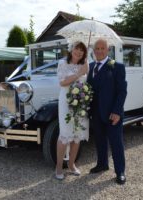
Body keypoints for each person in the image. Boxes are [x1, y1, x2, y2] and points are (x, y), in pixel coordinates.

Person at [87, 38, 127, 185]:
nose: (99, 51)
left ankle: (120, 171)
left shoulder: (117, 67)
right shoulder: (90, 67)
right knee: (99, 140)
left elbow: (122, 91)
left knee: (116, 142)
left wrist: (117, 111)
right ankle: (102, 164)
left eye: (102, 48)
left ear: (108, 49)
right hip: (96, 112)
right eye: (96, 48)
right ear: (93, 50)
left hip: (112, 113)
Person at [55, 41, 89, 180]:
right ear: (71, 49)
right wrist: (79, 73)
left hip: (80, 101)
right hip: (65, 101)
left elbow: (87, 83)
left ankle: (71, 164)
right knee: (65, 133)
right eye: (77, 48)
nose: (79, 52)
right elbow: (62, 82)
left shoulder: (85, 64)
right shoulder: (63, 63)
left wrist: (85, 70)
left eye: (82, 50)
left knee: (77, 134)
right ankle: (58, 167)